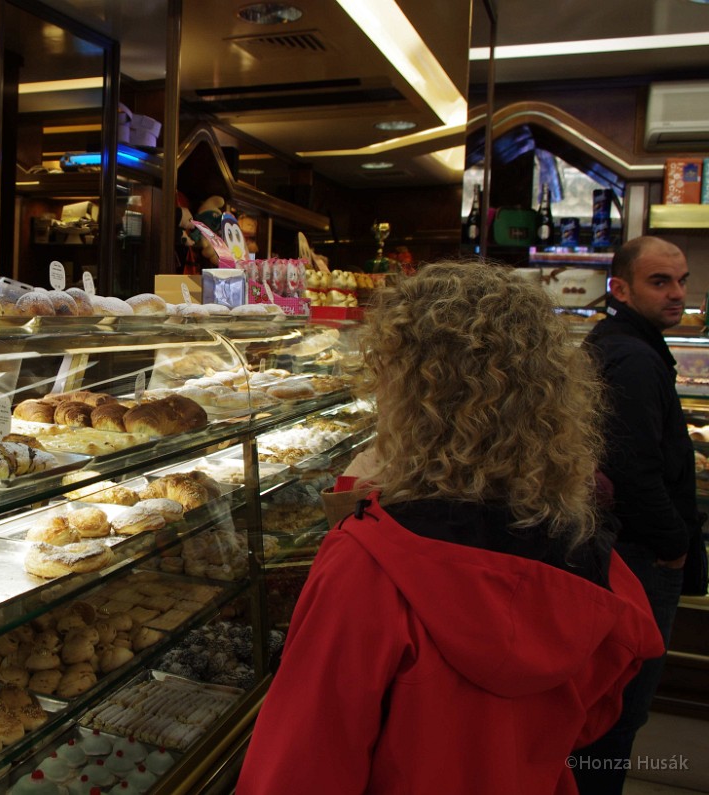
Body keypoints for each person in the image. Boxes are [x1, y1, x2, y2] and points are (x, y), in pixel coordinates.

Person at [236, 261, 664, 795]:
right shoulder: (587, 549)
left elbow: (299, 766)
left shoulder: (368, 564)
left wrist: (352, 503)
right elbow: (592, 717)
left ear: (405, 393)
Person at [572, 236, 708, 793]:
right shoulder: (633, 357)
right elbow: (633, 469)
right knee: (619, 711)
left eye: (681, 281)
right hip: (638, 556)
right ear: (620, 289)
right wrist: (674, 545)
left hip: (621, 549)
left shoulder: (624, 343)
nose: (677, 293)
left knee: (606, 707)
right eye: (660, 282)